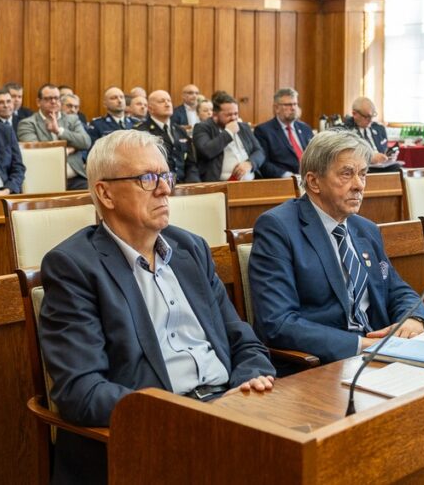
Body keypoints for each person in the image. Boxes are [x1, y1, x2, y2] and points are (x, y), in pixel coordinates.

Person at [39, 130, 275, 483]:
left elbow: (244, 341)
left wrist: (245, 386)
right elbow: (81, 391)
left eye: (166, 176)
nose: (165, 189)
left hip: (229, 414)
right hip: (151, 436)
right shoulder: (73, 266)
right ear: (105, 193)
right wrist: (176, 414)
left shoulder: (190, 248)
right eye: (147, 178)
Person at [249, 131, 424, 367]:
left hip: (383, 354)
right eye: (347, 174)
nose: (359, 185)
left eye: (363, 174)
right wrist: (362, 345)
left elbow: (396, 289)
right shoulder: (278, 228)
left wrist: (413, 319)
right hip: (322, 363)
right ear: (314, 182)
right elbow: (278, 323)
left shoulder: (366, 229)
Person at [18, 84, 90, 190]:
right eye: (48, 99)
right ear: (38, 102)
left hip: (75, 178)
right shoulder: (27, 123)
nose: (53, 102)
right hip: (44, 178)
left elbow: (86, 142)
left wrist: (59, 131)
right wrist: (70, 148)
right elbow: (35, 153)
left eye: (56, 98)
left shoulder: (72, 120)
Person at [192, 92, 264, 182]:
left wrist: (250, 163)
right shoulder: (202, 127)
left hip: (251, 181)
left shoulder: (244, 127)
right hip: (221, 184)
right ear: (215, 115)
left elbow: (259, 151)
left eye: (236, 113)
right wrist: (228, 133)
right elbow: (206, 151)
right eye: (229, 115)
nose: (234, 118)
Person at [136, 90, 199, 184]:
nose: (167, 104)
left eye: (169, 100)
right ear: (150, 108)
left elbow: (190, 163)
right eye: (161, 101)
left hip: (184, 184)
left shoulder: (180, 130)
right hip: (158, 185)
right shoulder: (142, 131)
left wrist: (193, 182)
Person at [254, 87, 314, 179]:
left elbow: (315, 155)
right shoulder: (263, 131)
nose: (293, 108)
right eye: (288, 105)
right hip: (284, 181)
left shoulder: (305, 128)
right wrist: (288, 176)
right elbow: (263, 163)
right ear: (276, 108)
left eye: (295, 104)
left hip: (310, 177)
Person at [340, 96, 396, 165]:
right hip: (362, 169)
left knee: (398, 167)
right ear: (354, 114)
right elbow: (345, 156)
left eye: (373, 116)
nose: (371, 120)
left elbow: (384, 150)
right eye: (367, 116)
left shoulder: (379, 128)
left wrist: (389, 156)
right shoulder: (344, 131)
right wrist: (369, 158)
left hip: (382, 167)